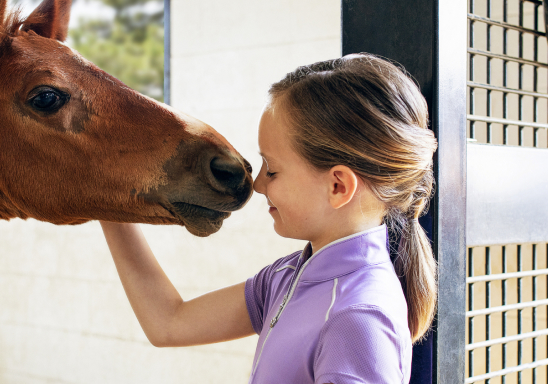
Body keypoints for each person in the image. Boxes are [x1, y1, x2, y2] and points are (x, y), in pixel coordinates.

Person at [100, 54, 438, 384]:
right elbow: (169, 322)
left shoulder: (358, 320)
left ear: (338, 186)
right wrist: (106, 200)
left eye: (272, 170)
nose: (258, 184)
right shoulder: (288, 276)